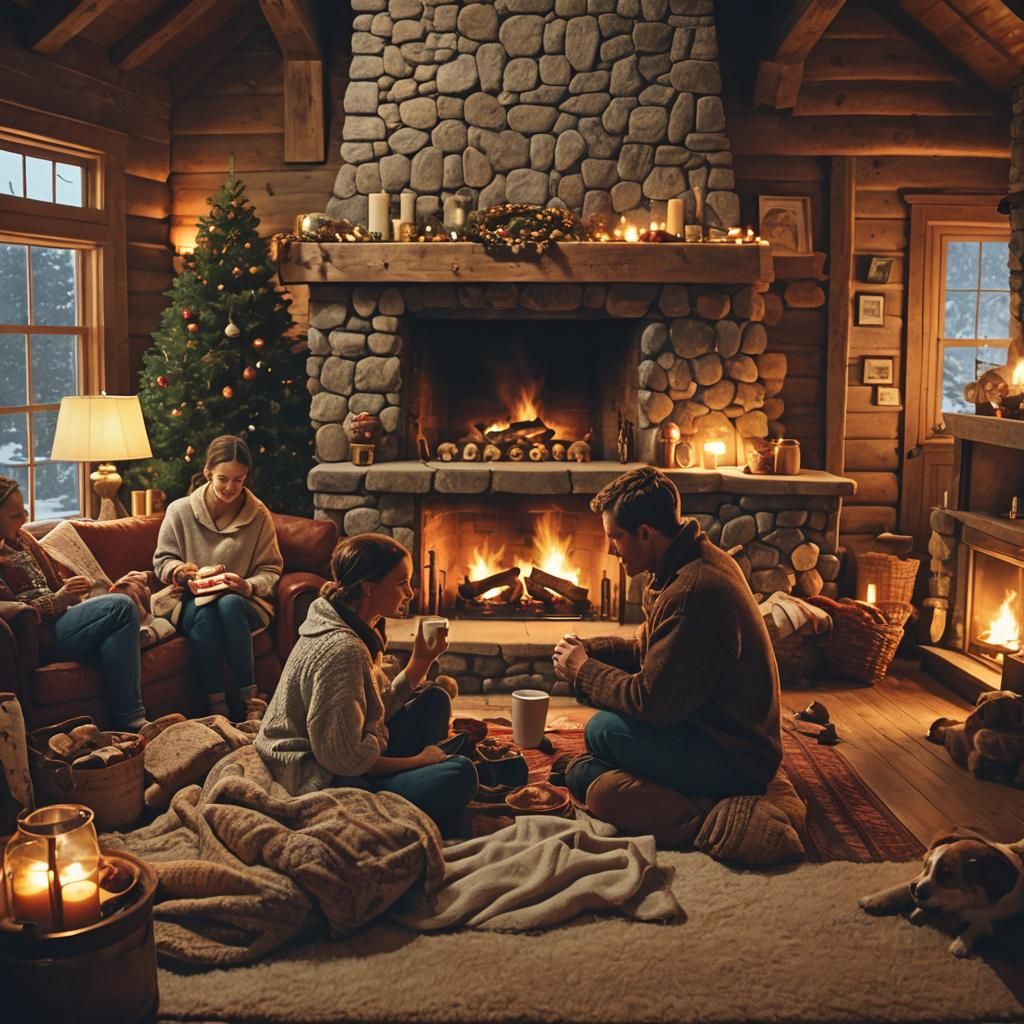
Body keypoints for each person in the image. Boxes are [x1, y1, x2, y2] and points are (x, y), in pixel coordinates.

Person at [552, 466, 782, 834]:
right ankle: (607, 777)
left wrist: (584, 671)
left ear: (645, 533)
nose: (611, 550)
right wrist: (589, 650)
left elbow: (651, 701)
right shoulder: (685, 566)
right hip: (710, 726)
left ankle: (690, 807)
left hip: (735, 756)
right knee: (599, 744)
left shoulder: (693, 593)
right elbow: (654, 653)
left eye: (616, 537)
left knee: (602, 733)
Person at [255, 533, 477, 832]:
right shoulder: (343, 651)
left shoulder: (349, 624)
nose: (410, 594)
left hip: (351, 752)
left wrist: (421, 661)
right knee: (461, 773)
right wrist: (420, 760)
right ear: (370, 588)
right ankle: (403, 789)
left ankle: (427, 775)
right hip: (320, 778)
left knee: (436, 699)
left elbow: (368, 710)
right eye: (402, 583)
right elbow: (343, 761)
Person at [0, 475, 148, 730]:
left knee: (118, 619)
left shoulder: (24, 540)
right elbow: (14, 611)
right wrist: (57, 601)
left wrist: (74, 590)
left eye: (23, 511)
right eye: (14, 516)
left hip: (63, 621)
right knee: (121, 608)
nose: (23, 520)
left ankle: (125, 726)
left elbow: (56, 584)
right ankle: (132, 718)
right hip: (38, 636)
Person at [153, 435, 283, 718]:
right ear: (207, 472)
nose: (230, 487)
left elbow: (271, 569)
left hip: (243, 602)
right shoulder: (180, 510)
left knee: (227, 604)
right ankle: (218, 707)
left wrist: (247, 585)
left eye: (239, 480)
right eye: (223, 478)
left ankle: (250, 702)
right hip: (190, 598)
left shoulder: (258, 515)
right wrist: (177, 571)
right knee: (206, 613)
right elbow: (162, 561)